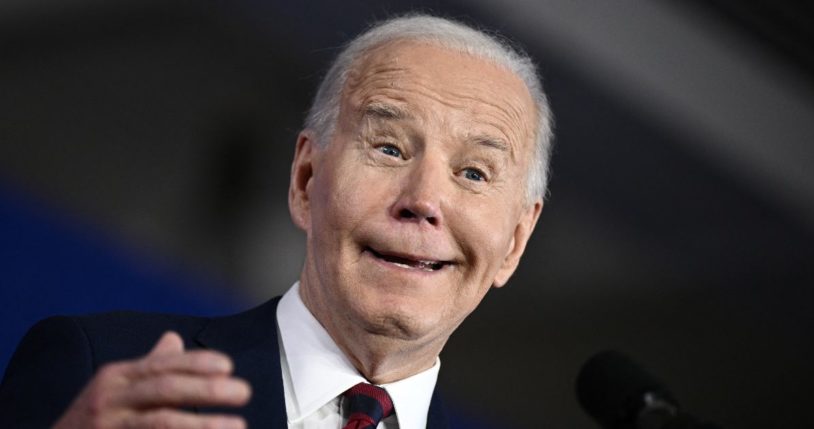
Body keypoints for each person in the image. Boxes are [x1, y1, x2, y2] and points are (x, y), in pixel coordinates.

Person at [0, 13, 553, 429]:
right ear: (305, 181)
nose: (424, 199)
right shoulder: (109, 374)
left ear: (514, 244)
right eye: (388, 148)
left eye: (475, 173)